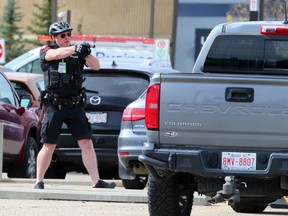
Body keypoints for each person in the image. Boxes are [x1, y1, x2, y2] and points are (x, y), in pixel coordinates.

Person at [34, 21, 116, 189]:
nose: (67, 37)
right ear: (54, 38)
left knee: (86, 143)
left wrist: (86, 52)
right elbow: (54, 56)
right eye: (63, 35)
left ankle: (96, 181)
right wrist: (75, 48)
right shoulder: (46, 51)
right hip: (54, 106)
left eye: (69, 34)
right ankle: (39, 181)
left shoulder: (77, 53)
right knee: (49, 145)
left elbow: (96, 66)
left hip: (75, 106)